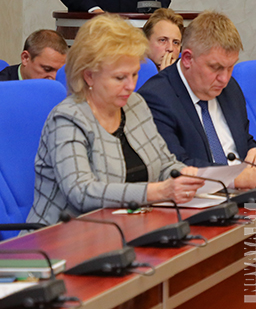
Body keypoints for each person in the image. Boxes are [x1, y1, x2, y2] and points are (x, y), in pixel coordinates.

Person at [27, 14, 203, 226]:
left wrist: (184, 176)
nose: (131, 86)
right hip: (64, 235)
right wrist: (157, 191)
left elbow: (165, 164)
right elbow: (81, 192)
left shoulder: (136, 104)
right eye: (120, 78)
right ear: (89, 76)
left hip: (128, 226)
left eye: (135, 74)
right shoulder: (67, 118)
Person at [138, 11, 256, 189]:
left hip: (247, 195)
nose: (224, 78)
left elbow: (243, 140)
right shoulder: (156, 97)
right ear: (187, 59)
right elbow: (175, 165)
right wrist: (236, 178)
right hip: (198, 199)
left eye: (230, 67)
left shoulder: (229, 88)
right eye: (215, 67)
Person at [0, 29, 67, 82]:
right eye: (47, 69)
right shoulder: (3, 87)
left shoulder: (64, 86)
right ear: (25, 58)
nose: (54, 77)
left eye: (59, 72)